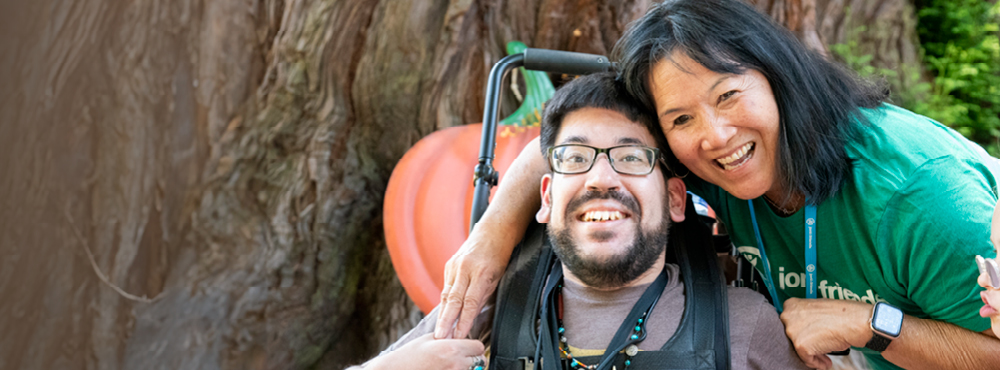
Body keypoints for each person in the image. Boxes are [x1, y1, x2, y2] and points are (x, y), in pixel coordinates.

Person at [434, 1, 1000, 369]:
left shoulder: (920, 196)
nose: (716, 135)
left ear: (778, 77)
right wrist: (492, 232)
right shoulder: (707, 160)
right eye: (680, 118)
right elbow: (590, 140)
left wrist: (866, 323)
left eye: (729, 95)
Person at [350, 73, 808, 370]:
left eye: (630, 156)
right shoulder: (483, 313)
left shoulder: (742, 325)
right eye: (575, 157)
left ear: (673, 199)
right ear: (546, 196)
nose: (602, 178)